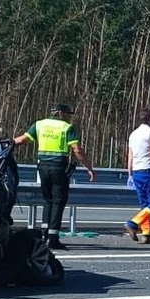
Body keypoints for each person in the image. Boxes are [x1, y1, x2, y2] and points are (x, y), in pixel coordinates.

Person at [13, 102, 96, 248]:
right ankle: (53, 237)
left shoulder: (39, 125)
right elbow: (77, 150)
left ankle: (45, 233)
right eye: (66, 114)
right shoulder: (66, 127)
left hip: (42, 167)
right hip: (58, 167)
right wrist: (89, 167)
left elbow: (22, 140)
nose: (68, 118)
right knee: (58, 201)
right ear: (60, 113)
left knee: (48, 200)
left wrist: (5, 145)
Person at [122, 109, 150, 244]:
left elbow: (130, 155)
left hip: (136, 172)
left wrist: (129, 173)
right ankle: (133, 223)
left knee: (145, 205)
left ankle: (146, 234)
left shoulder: (133, 134)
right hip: (148, 171)